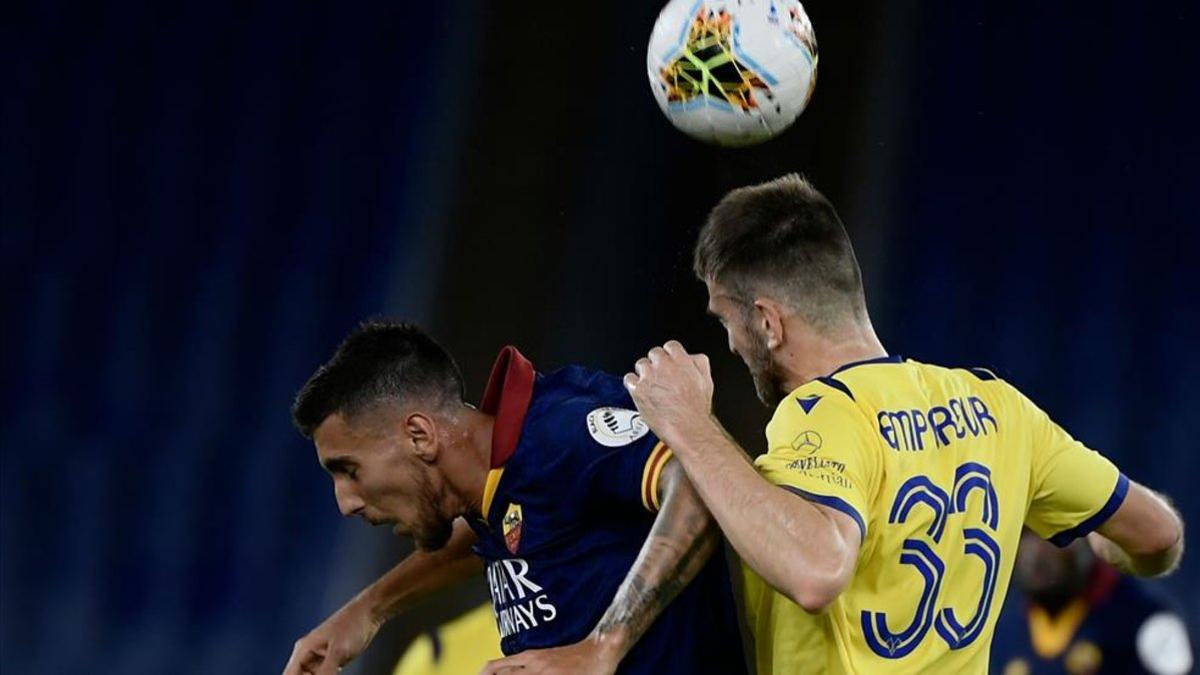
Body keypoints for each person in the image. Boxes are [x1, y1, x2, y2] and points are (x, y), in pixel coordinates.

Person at [622, 174, 1185, 673]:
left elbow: (815, 571)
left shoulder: (823, 413)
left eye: (726, 319)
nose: (731, 342)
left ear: (768, 322)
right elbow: (1160, 534)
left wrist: (691, 425)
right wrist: (1117, 549)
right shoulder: (997, 405)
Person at [281, 321, 745, 675]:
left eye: (349, 470)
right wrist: (367, 610)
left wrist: (604, 645)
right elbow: (496, 528)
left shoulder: (560, 433)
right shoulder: (490, 490)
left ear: (420, 435)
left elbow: (698, 484)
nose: (345, 502)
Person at [990, 530, 1193, 675]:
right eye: (1025, 536)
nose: (1035, 554)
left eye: (1054, 536)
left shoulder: (1143, 617)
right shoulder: (1006, 631)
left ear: (1089, 537)